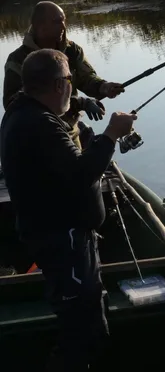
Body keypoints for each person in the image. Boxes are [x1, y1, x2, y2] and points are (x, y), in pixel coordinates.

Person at [0, 48, 137, 371]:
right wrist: (110, 136)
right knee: (81, 334)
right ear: (60, 84)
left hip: (65, 238)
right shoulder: (40, 125)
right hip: (64, 241)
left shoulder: (23, 111)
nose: (71, 88)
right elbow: (81, 175)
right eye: (70, 83)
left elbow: (63, 166)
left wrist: (83, 110)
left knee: (90, 322)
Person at [2, 0, 125, 148]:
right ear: (40, 26)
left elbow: (86, 78)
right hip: (37, 134)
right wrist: (81, 103)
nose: (63, 26)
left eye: (64, 20)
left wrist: (103, 87)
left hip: (70, 127)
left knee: (81, 166)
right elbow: (12, 104)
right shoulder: (17, 60)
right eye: (57, 22)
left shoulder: (72, 50)